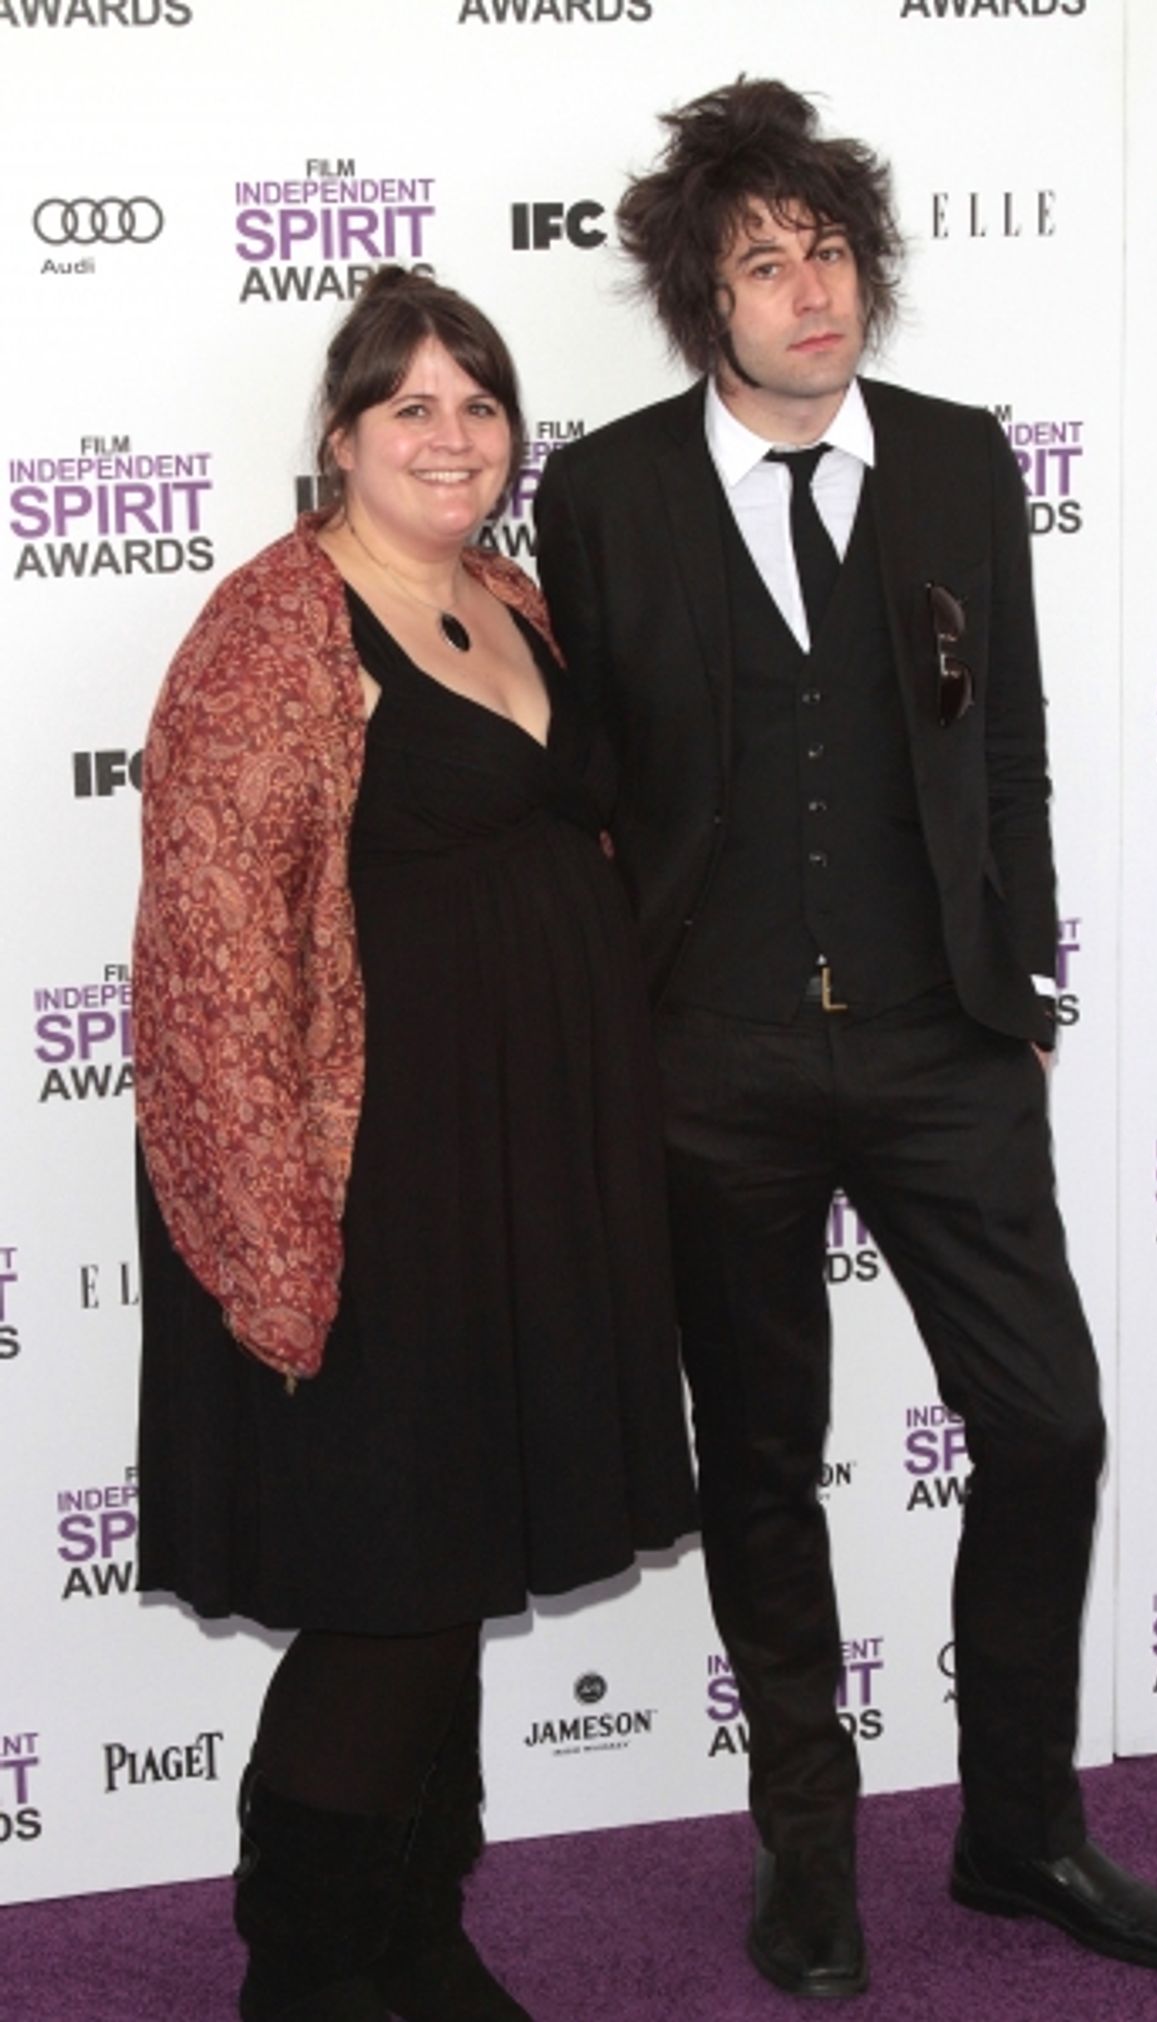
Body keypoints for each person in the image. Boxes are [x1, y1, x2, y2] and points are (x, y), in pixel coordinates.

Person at [534, 78, 1157, 2000]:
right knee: (761, 1454)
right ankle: (808, 1852)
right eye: (763, 259)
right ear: (701, 296)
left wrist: (1031, 988)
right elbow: (590, 787)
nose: (808, 287)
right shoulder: (607, 493)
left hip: (943, 1044)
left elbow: (1010, 745)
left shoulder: (965, 463)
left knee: (1052, 1422)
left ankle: (1018, 1832)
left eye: (827, 248)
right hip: (713, 1060)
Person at [132, 264, 695, 2022]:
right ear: (341, 435)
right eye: (411, 407)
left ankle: (412, 1928)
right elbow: (208, 964)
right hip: (361, 1184)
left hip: (525, 1173)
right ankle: (302, 1972)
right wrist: (279, 1241)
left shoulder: (511, 600)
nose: (451, 435)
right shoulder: (271, 631)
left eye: (478, 402)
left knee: (448, 1569)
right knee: (383, 1585)